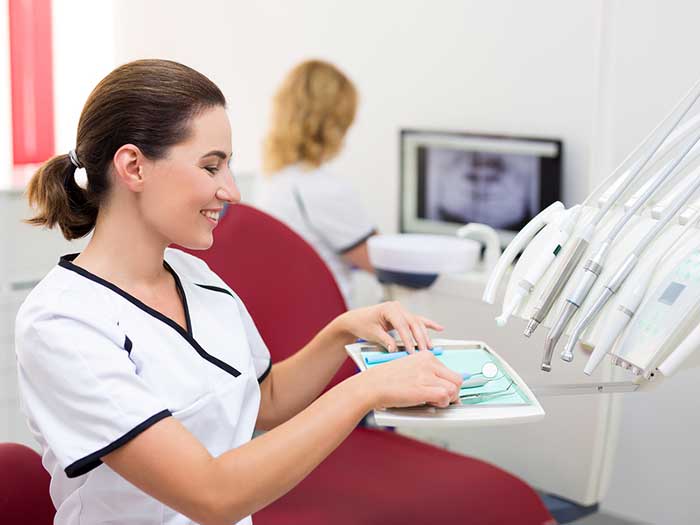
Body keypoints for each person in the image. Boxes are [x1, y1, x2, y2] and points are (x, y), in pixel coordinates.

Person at [15, 59, 463, 525]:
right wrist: (364, 392)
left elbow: (265, 400)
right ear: (133, 167)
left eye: (228, 166)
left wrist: (341, 334)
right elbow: (212, 495)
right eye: (211, 166)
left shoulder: (197, 276)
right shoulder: (62, 322)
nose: (231, 191)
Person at [255, 59, 375, 304]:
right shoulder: (324, 188)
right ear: (336, 121)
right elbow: (378, 261)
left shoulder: (272, 179)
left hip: (288, 319)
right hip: (326, 325)